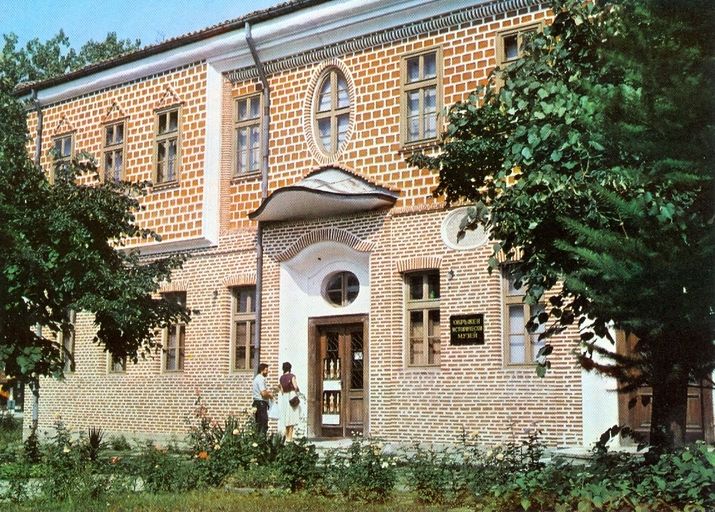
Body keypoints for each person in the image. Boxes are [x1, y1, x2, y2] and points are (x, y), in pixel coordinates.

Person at [279, 361, 301, 442]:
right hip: (291, 396)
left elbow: (281, 391)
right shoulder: (292, 376)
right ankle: (290, 437)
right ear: (290, 368)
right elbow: (295, 387)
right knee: (292, 416)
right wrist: (298, 390)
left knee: (286, 417)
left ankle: (286, 436)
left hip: (285, 397)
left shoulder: (281, 378)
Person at [252, 363, 273, 435]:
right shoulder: (261, 379)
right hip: (261, 404)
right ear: (262, 370)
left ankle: (258, 439)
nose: (267, 372)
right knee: (263, 425)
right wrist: (270, 395)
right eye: (266, 370)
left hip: (257, 403)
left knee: (258, 425)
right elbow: (263, 393)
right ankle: (262, 439)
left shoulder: (257, 378)